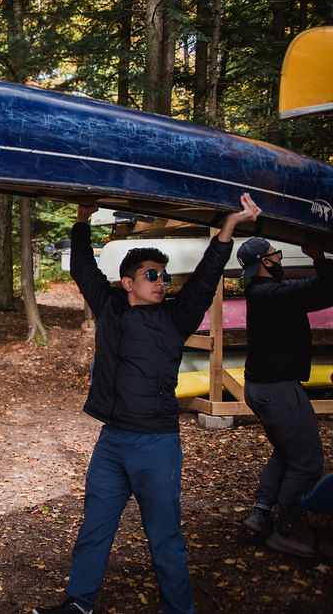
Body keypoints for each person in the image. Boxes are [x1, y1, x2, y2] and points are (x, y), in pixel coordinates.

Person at [33, 193, 261, 614]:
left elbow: (207, 278)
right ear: (128, 283)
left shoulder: (176, 317)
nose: (162, 281)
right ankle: (80, 603)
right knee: (96, 528)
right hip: (111, 443)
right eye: (152, 275)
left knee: (164, 535)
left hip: (156, 446)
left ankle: (179, 609)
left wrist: (228, 228)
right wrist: (82, 219)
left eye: (164, 275)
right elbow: (84, 267)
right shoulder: (109, 307)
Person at [236, 237, 333, 557]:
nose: (279, 257)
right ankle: (287, 528)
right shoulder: (272, 294)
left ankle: (261, 513)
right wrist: (318, 255)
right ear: (267, 262)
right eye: (275, 254)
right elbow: (326, 289)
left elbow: (314, 289)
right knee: (307, 462)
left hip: (262, 387)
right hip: (277, 389)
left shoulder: (264, 292)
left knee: (287, 450)